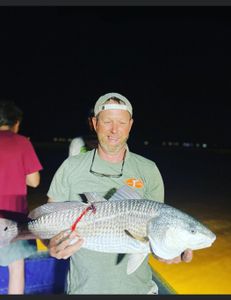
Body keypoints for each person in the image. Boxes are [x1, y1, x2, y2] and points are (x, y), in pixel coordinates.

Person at [46, 92, 193, 294]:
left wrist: (167, 251)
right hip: (83, 289)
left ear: (130, 125)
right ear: (94, 123)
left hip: (138, 290)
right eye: (107, 122)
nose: (114, 130)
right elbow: (47, 221)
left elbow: (154, 232)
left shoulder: (148, 170)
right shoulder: (71, 167)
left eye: (121, 123)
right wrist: (50, 245)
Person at [0, 100, 43, 294]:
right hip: (13, 217)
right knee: (16, 270)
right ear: (16, 122)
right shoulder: (22, 143)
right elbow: (34, 182)